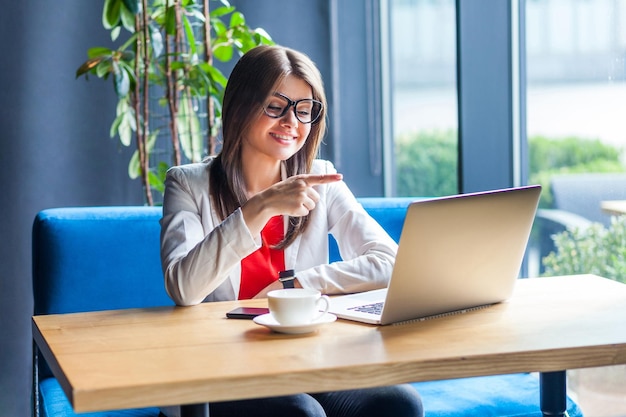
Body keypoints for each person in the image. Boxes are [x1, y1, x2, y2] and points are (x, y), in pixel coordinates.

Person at [160, 44, 424, 417]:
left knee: (398, 403)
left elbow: (390, 261)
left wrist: (296, 285)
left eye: (304, 110)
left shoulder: (321, 179)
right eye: (275, 106)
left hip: (303, 356)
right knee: (300, 414)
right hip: (218, 364)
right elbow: (183, 288)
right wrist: (259, 208)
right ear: (240, 106)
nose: (292, 122)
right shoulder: (189, 184)